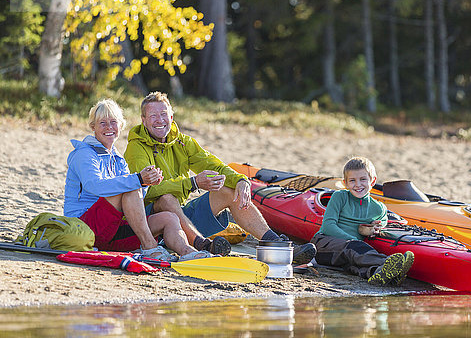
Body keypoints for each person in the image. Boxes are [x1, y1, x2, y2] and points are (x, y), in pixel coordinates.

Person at [124, 92, 316, 264]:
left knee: (229, 191)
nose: (160, 120)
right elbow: (148, 189)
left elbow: (213, 165)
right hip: (153, 221)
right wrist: (192, 183)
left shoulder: (183, 142)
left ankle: (276, 244)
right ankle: (203, 245)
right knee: (165, 198)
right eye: (153, 116)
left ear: (171, 116)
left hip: (183, 217)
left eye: (163, 114)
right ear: (143, 120)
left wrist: (241, 181)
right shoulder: (136, 147)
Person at [64, 99, 212, 262]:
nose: (109, 128)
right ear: (93, 127)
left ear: (120, 126)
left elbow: (134, 199)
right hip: (83, 229)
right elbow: (94, 186)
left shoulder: (117, 158)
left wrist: (147, 183)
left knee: (169, 218)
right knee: (133, 185)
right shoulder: (85, 154)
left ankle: (187, 251)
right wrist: (139, 179)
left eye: (113, 122)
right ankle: (150, 247)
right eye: (103, 123)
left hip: (112, 230)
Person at [310, 157, 414, 286]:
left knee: (355, 265)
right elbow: (328, 226)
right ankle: (388, 262)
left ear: (373, 181)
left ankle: (378, 273)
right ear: (345, 183)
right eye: (352, 180)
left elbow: (383, 220)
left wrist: (377, 226)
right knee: (355, 248)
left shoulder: (378, 208)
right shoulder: (340, 197)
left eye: (363, 179)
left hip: (347, 257)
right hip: (323, 245)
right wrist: (353, 240)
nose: (358, 184)